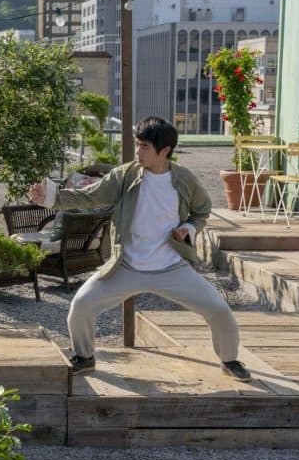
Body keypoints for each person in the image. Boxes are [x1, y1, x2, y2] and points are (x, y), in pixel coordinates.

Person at [28, 116, 251, 381]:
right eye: (137, 145)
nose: (138, 151)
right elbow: (91, 196)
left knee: (220, 310)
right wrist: (51, 197)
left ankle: (230, 360)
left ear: (165, 151)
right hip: (126, 266)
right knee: (81, 305)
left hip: (171, 267)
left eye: (144, 147)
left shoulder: (184, 180)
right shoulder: (126, 175)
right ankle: (85, 357)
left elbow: (202, 210)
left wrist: (188, 228)